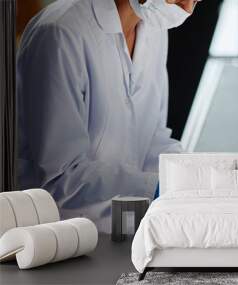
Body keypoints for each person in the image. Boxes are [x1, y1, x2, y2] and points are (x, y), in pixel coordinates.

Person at [17, 0, 197, 232]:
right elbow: (59, 181)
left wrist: (189, 174)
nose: (188, 8)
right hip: (56, 238)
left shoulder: (153, 29)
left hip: (119, 230)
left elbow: (152, 137)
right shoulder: (60, 33)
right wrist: (158, 188)